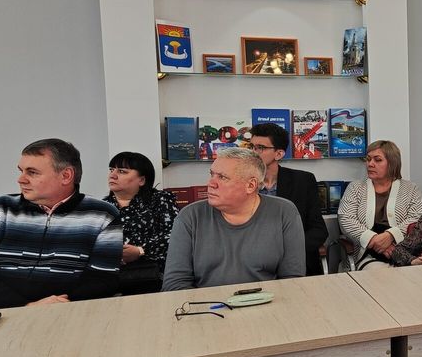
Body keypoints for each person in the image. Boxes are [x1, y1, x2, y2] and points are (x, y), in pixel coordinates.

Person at [0, 138, 122, 308]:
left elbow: (102, 278)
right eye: (21, 171)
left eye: (32, 172)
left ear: (66, 176)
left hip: (67, 312)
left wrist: (57, 306)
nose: (21, 179)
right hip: (2, 313)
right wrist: (27, 306)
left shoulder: (102, 215)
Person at [162, 147, 306, 289]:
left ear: (250, 185)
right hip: (206, 304)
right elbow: (175, 283)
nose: (211, 183)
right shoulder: (190, 216)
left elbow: (292, 279)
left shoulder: (284, 212)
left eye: (222, 177)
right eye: (212, 174)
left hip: (269, 301)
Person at [248, 123, 329, 276]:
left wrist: (288, 252)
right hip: (253, 263)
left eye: (260, 148)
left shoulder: (303, 181)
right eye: (251, 147)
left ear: (279, 154)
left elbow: (318, 231)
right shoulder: (242, 183)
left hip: (294, 261)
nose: (253, 153)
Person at [338, 140, 422, 269]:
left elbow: (419, 218)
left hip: (405, 252)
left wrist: (391, 236)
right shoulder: (355, 188)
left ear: (392, 163)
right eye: (368, 159)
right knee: (378, 272)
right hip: (366, 255)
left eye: (377, 160)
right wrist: (373, 240)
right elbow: (346, 219)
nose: (370, 164)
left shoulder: (410, 188)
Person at [103, 151, 179, 293]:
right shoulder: (101, 207)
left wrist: (140, 251)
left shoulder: (161, 200)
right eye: (111, 170)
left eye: (122, 171)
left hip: (155, 278)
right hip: (112, 280)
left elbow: (176, 236)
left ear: (142, 180)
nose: (112, 175)